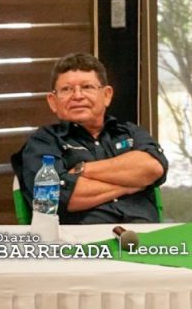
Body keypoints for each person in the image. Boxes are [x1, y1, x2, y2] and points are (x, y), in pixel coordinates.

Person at [11, 52, 168, 223]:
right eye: (66, 89)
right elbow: (58, 198)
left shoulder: (130, 132)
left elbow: (154, 168)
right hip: (82, 238)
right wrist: (133, 183)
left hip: (146, 234)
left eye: (87, 87)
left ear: (106, 95)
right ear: (53, 101)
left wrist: (82, 170)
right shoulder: (43, 142)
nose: (78, 96)